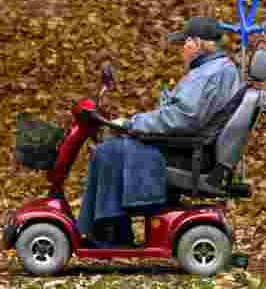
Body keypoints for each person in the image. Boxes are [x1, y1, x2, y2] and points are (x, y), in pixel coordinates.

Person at [76, 16, 241, 247]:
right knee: (112, 148)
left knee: (107, 152)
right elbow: (185, 114)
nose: (182, 49)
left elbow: (183, 117)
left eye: (184, 43)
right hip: (193, 146)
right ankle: (111, 228)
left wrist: (133, 123)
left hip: (189, 153)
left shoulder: (209, 74)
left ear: (196, 43)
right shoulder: (216, 68)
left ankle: (110, 232)